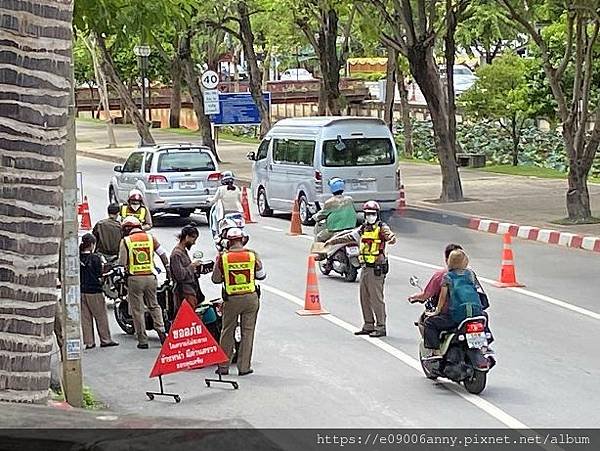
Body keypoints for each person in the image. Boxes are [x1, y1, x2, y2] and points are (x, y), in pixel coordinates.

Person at [326, 201, 396, 337]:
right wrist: (333, 241)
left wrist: (392, 238)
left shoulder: (381, 228)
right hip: (365, 267)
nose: (371, 216)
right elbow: (349, 237)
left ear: (377, 215)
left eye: (373, 214)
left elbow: (390, 236)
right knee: (364, 297)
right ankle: (368, 324)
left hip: (376, 268)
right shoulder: (363, 229)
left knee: (376, 299)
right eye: (368, 214)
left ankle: (380, 326)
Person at [212, 227, 266, 376]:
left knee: (227, 331)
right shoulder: (252, 255)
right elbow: (262, 275)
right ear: (242, 239)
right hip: (251, 298)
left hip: (232, 300)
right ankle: (244, 367)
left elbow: (215, 279)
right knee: (247, 332)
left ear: (228, 241)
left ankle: (223, 367)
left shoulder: (223, 257)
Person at [118, 216, 169, 349]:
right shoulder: (150, 238)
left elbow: (122, 263)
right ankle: (162, 332)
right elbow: (163, 254)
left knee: (137, 310)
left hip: (135, 279)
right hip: (151, 278)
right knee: (154, 305)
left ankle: (142, 340)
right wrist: (168, 269)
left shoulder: (126, 241)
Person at [423, 249, 483, 357]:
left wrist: (437, 311)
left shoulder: (448, 277)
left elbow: (442, 297)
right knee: (484, 319)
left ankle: (435, 352)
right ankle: (484, 345)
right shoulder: (470, 274)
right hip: (476, 313)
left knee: (429, 323)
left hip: (457, 317)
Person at [79, 233, 118, 350]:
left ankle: (89, 342)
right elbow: (99, 274)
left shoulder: (77, 257)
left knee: (85, 318)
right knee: (100, 316)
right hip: (94, 291)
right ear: (91, 245)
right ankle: (105, 339)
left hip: (82, 290)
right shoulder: (95, 258)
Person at [170, 225, 204, 311]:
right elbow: (180, 276)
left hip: (191, 290)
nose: (194, 242)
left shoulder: (183, 251)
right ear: (187, 237)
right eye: (193, 239)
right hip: (184, 293)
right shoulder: (176, 254)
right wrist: (192, 266)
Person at [312, 177, 357, 242]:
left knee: (319, 237)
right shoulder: (349, 199)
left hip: (335, 231)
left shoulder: (330, 202)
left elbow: (321, 215)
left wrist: (314, 217)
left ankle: (319, 252)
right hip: (351, 229)